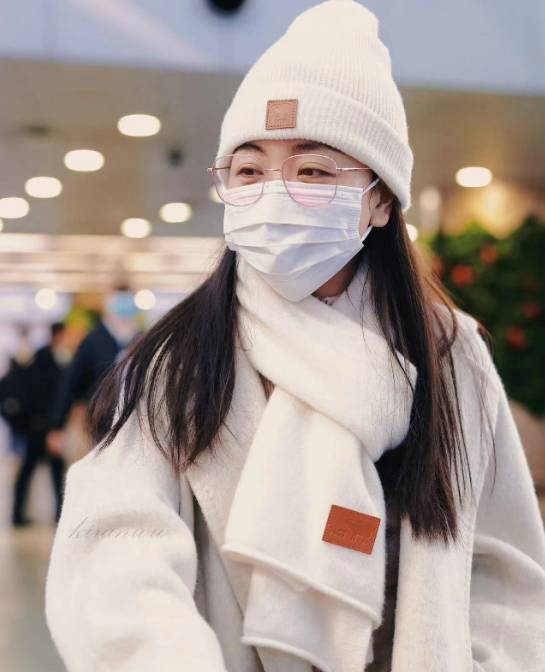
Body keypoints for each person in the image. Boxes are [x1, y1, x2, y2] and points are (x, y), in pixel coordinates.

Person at [44, 2, 545, 671]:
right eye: (249, 171)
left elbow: (504, 569)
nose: (274, 194)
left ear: (379, 200)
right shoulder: (179, 356)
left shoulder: (448, 355)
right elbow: (116, 547)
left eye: (313, 171)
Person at [46, 283, 142, 457]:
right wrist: (57, 425)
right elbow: (70, 381)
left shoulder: (141, 339)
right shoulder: (94, 340)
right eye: (119, 299)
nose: (124, 306)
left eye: (127, 299)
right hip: (98, 422)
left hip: (136, 424)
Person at [0, 322, 69, 527]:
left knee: (37, 470)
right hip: (40, 426)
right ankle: (52, 513)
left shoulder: (45, 358)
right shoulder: (46, 360)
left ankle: (22, 513)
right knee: (44, 470)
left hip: (37, 426)